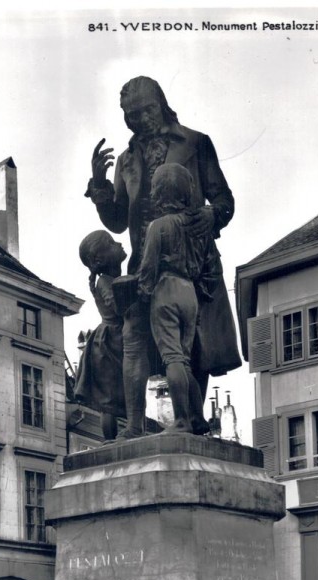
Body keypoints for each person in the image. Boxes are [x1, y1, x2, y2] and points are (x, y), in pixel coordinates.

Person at [85, 76, 241, 439]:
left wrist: (210, 214)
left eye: (145, 110)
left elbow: (225, 201)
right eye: (131, 115)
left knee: (195, 344)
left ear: (161, 105)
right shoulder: (125, 160)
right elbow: (118, 221)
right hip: (143, 261)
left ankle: (193, 420)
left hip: (193, 260)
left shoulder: (196, 143)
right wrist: (100, 188)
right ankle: (137, 426)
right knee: (138, 340)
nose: (140, 119)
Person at [138, 163, 221, 434]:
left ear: (159, 192)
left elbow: (148, 267)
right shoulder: (199, 227)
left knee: (172, 358)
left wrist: (143, 291)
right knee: (184, 360)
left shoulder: (158, 226)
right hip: (190, 293)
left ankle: (182, 420)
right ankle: (197, 418)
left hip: (166, 289)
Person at [74, 230, 127, 440]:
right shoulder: (105, 281)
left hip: (114, 338)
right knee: (108, 402)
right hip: (109, 342)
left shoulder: (110, 278)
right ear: (99, 258)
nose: (119, 243)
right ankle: (110, 441)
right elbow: (117, 307)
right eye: (112, 243)